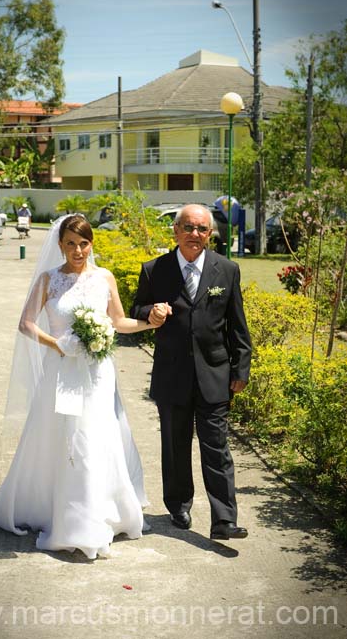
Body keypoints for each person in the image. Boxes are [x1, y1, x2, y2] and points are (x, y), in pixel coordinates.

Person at [0, 214, 163, 559]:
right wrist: (58, 343)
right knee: (64, 438)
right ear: (60, 246)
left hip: (97, 374)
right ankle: (66, 517)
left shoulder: (104, 278)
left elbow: (118, 321)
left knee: (95, 438)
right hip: (61, 369)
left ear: (92, 244)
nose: (78, 250)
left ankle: (95, 515)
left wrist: (149, 322)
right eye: (71, 244)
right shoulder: (49, 280)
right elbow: (26, 324)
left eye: (84, 243)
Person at [130, 204, 252, 541]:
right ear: (176, 231)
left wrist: (240, 368)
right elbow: (136, 308)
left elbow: (237, 326)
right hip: (171, 374)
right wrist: (150, 311)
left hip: (214, 374)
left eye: (201, 229)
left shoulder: (226, 270)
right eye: (188, 227)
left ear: (210, 234)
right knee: (175, 444)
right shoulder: (155, 269)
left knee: (217, 447)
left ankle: (224, 519)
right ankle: (179, 504)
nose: (194, 235)